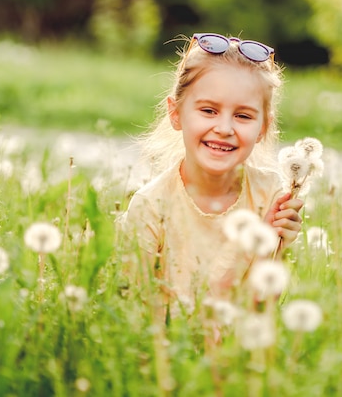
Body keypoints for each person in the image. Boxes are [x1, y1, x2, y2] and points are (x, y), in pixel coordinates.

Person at [121, 33, 303, 317]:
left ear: (263, 127)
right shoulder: (151, 206)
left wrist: (274, 246)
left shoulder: (270, 194)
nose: (224, 128)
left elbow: (261, 308)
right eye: (208, 110)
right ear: (176, 113)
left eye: (243, 116)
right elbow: (132, 310)